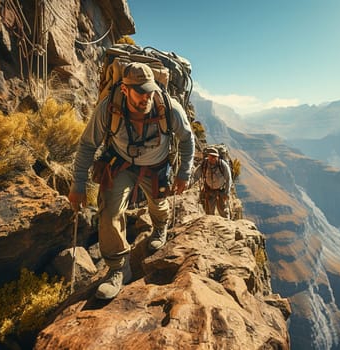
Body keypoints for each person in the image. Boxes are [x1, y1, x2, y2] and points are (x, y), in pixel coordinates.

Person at [68, 62, 195, 300]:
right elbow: (87, 145)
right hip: (121, 164)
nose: (146, 97)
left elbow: (188, 140)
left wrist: (184, 173)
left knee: (157, 203)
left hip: (156, 166)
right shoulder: (109, 108)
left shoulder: (169, 108)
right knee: (110, 212)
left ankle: (159, 227)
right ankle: (118, 268)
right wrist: (78, 185)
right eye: (140, 92)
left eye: (150, 91)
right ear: (125, 90)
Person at [195, 147, 232, 219]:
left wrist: (227, 193)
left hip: (221, 191)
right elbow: (196, 176)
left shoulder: (223, 165)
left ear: (217, 156)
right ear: (208, 156)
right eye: (211, 156)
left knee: (223, 210)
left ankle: (227, 225)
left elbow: (228, 179)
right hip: (210, 190)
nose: (213, 158)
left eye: (215, 156)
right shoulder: (204, 164)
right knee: (209, 212)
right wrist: (188, 183)